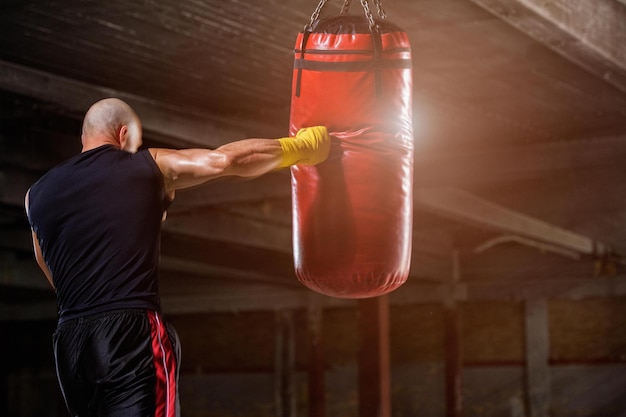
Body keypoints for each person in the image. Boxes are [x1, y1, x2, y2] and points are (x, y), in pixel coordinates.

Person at [24, 97, 330, 417]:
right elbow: (223, 161)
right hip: (129, 333)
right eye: (137, 143)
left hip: (71, 343)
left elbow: (45, 261)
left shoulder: (36, 194)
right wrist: (301, 147)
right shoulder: (148, 165)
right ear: (123, 134)